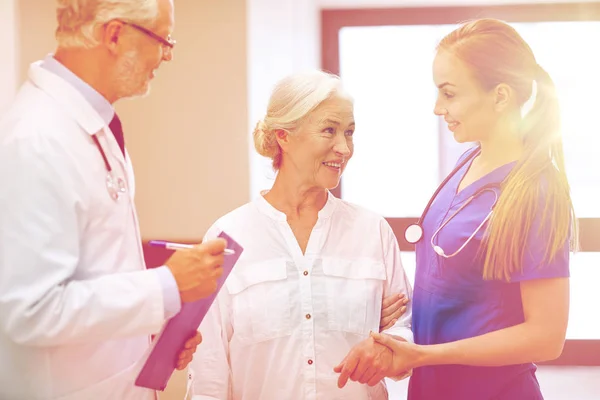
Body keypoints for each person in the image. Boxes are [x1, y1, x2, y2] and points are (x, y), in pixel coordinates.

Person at [336, 18, 577, 400]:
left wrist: (424, 354)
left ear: (500, 96)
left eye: (449, 94)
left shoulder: (537, 191)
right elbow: (455, 289)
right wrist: (396, 328)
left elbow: (546, 338)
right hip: (432, 389)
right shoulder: (468, 162)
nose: (437, 108)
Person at [0, 1, 228, 399]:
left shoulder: (95, 125)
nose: (168, 55)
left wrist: (151, 328)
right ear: (116, 34)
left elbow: (95, 272)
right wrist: (166, 285)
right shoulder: (37, 139)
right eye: (163, 39)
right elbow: (30, 311)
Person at [189, 70, 413, 400]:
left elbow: (404, 330)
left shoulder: (372, 231)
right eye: (329, 131)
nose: (345, 148)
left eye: (349, 133)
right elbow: (209, 369)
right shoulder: (227, 236)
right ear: (284, 136)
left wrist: (390, 349)